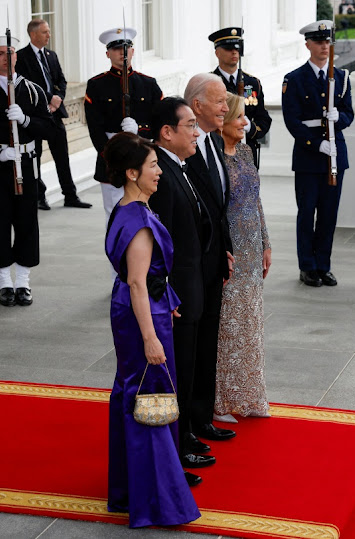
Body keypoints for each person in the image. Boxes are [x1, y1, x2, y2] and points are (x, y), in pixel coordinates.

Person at [103, 132, 201, 528]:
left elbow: (146, 280)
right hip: (142, 315)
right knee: (151, 399)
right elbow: (139, 282)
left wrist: (169, 301)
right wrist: (150, 337)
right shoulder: (140, 223)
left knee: (138, 394)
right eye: (153, 166)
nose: (159, 172)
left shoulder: (128, 209)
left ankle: (135, 488)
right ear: (131, 173)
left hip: (147, 308)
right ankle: (159, 500)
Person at [150, 97, 214, 485]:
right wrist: (168, 294)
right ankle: (172, 451)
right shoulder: (159, 172)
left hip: (191, 285)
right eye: (189, 124)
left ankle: (185, 433)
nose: (196, 131)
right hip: (175, 293)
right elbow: (160, 242)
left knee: (188, 367)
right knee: (176, 373)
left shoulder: (180, 166)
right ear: (167, 132)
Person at [0, 34, 55, 307]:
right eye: (1, 53)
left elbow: (50, 128)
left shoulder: (32, 90)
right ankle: (5, 281)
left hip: (27, 165)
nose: (8, 57)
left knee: (27, 221)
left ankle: (23, 282)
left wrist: (26, 119)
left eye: (11, 52)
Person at [184, 73, 236, 443]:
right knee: (189, 347)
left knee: (208, 345)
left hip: (214, 259)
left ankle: (202, 418)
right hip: (191, 264)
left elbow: (220, 207)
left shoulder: (216, 144)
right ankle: (185, 425)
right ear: (197, 105)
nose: (225, 108)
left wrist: (227, 250)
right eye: (219, 101)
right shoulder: (181, 149)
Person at [282, 20, 354, 288]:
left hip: (335, 154)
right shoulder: (295, 79)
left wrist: (341, 118)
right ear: (308, 45)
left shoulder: (342, 77)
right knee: (307, 211)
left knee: (328, 213)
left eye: (327, 42)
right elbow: (292, 120)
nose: (324, 46)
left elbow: (349, 113)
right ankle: (307, 266)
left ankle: (324, 264)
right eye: (319, 42)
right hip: (309, 155)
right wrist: (315, 143)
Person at [214, 92, 272, 422]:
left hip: (252, 248)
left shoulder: (247, 151)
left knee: (251, 325)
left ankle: (250, 396)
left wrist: (266, 243)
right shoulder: (215, 160)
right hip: (232, 248)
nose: (244, 123)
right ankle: (223, 399)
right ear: (222, 122)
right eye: (239, 117)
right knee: (230, 326)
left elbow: (257, 200)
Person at [85, 26, 164, 225]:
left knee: (147, 209)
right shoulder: (96, 85)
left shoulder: (148, 83)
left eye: (127, 47)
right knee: (114, 213)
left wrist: (141, 130)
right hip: (111, 156)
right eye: (116, 48)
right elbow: (95, 128)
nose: (123, 52)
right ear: (108, 53)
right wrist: (111, 156)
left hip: (143, 154)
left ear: (133, 51)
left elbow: (161, 123)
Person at [16, 19, 91, 210]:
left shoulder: (51, 55)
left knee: (62, 157)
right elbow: (27, 86)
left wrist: (58, 98)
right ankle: (39, 197)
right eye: (45, 32)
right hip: (35, 116)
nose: (49, 35)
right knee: (36, 158)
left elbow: (62, 81)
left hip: (55, 114)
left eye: (48, 31)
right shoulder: (21, 58)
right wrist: (49, 99)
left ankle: (70, 196)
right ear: (33, 35)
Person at [208, 27, 272, 169]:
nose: (234, 52)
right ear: (217, 52)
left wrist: (250, 127)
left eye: (237, 49)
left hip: (247, 151)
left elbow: (264, 118)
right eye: (228, 49)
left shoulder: (252, 83)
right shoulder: (209, 83)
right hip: (219, 151)